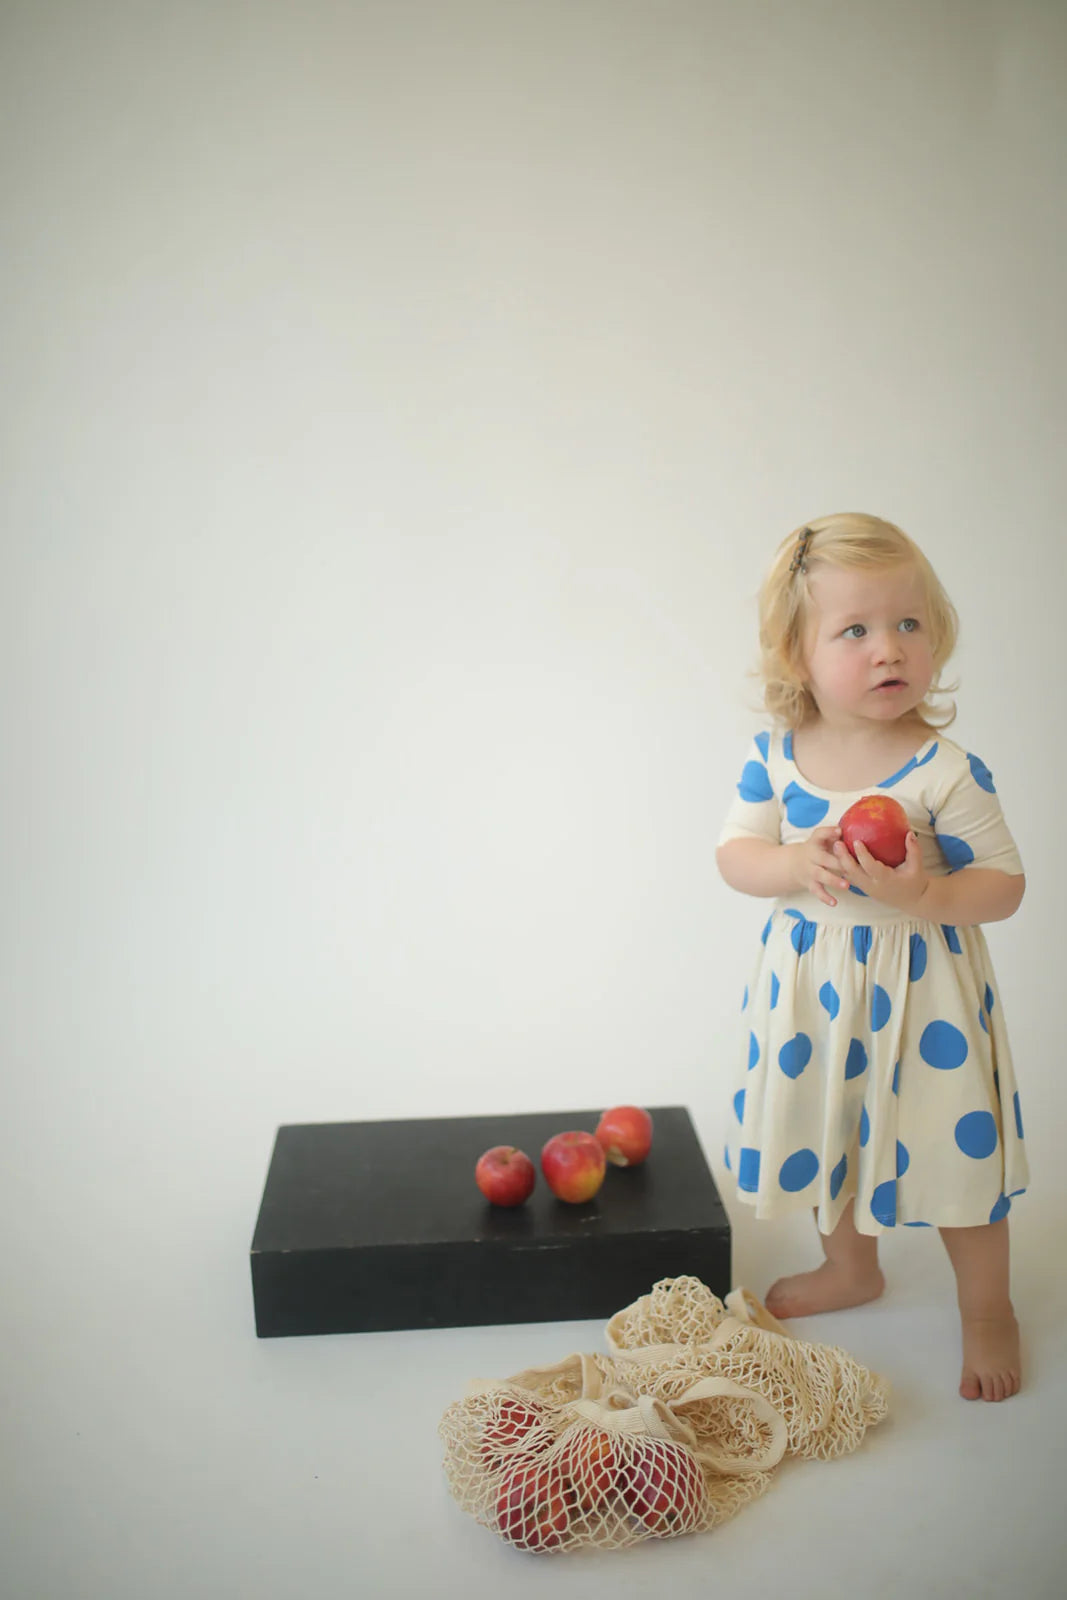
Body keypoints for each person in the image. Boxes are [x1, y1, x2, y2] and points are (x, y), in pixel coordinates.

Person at [716, 513, 1027, 1402]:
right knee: (833, 1130)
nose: (887, 648)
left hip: (923, 995)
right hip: (814, 995)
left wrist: (924, 895)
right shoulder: (772, 758)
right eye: (853, 630)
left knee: (950, 1149)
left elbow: (1003, 885)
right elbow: (734, 854)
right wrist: (787, 861)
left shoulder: (943, 771)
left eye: (908, 624)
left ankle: (987, 1311)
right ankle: (850, 1267)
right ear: (794, 652)